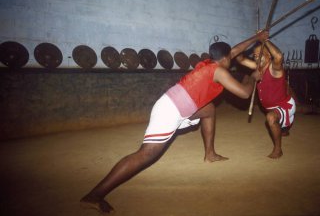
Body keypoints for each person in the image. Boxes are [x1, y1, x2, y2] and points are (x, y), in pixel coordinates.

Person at [80, 30, 269, 214]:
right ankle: (94, 195)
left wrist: (257, 38)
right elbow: (244, 93)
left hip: (178, 104)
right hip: (170, 111)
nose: (234, 57)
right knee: (146, 154)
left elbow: (234, 50)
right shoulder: (219, 71)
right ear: (225, 59)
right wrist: (252, 77)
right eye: (231, 57)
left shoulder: (211, 62)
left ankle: (209, 154)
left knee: (209, 110)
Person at [236, 39, 296, 159]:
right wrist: (253, 39)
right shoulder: (258, 67)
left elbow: (278, 56)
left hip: (284, 106)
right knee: (278, 124)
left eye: (260, 55)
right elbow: (240, 59)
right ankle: (283, 129)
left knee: (271, 118)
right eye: (255, 56)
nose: (256, 58)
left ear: (268, 55)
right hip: (271, 107)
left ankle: (278, 150)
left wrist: (265, 40)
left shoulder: (274, 69)